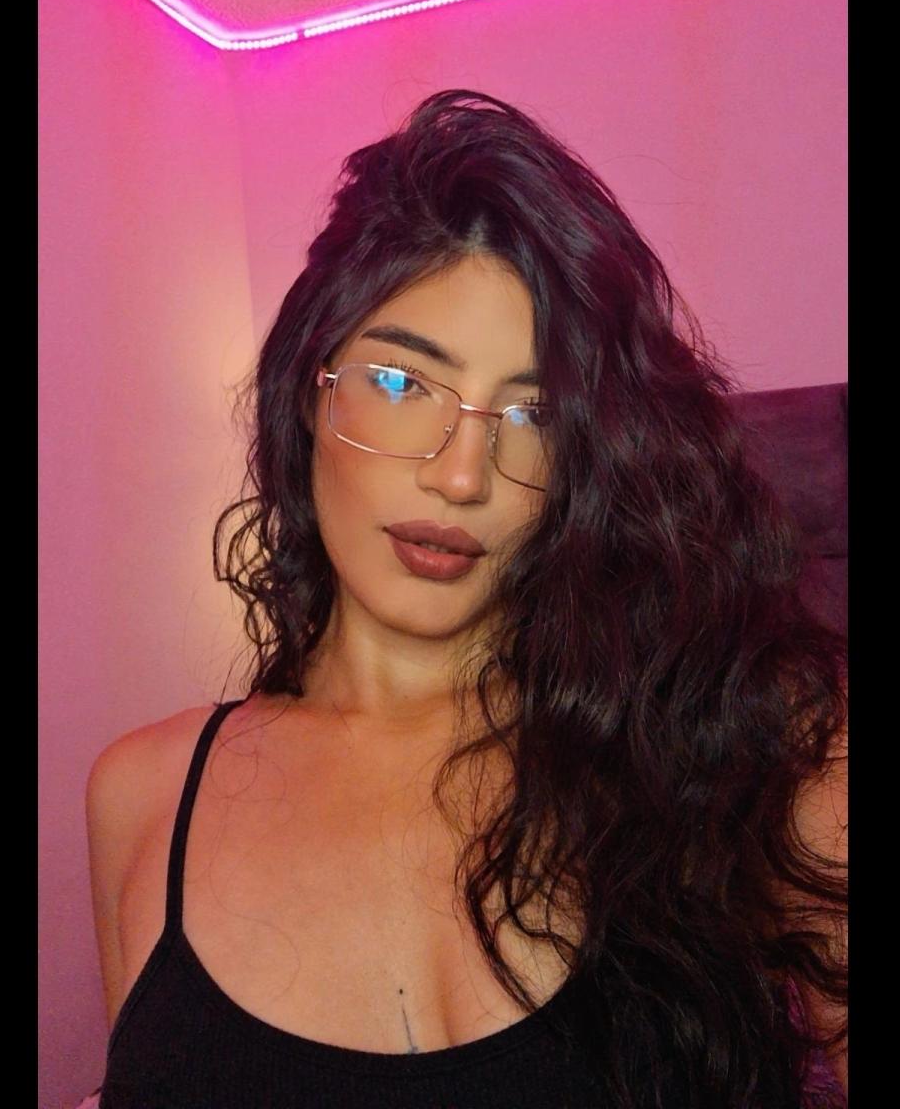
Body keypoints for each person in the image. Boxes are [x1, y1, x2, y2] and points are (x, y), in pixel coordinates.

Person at [85, 90, 848, 1109]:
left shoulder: (750, 740)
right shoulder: (140, 797)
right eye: (404, 384)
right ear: (310, 389)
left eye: (533, 413)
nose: (460, 475)